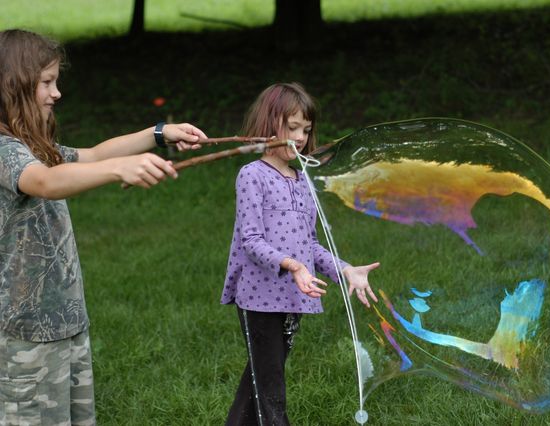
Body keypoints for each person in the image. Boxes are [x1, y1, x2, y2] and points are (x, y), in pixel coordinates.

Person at [0, 29, 206, 425]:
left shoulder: (37, 147)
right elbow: (43, 182)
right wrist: (117, 171)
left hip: (65, 321)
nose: (56, 92)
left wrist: (159, 134)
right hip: (23, 333)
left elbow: (93, 154)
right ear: (14, 85)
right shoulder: (6, 150)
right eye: (46, 82)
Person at [221, 82, 379, 425]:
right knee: (270, 386)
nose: (301, 137)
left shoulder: (301, 180)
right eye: (292, 128)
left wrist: (345, 270)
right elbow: (250, 240)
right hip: (260, 298)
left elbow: (310, 244)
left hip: (294, 295)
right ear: (269, 125)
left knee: (260, 379)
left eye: (306, 130)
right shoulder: (252, 176)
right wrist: (292, 266)